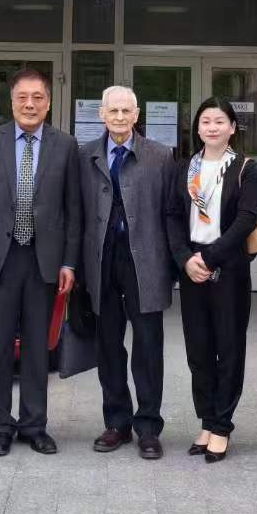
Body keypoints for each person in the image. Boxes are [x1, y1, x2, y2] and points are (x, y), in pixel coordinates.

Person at [0, 68, 81, 456]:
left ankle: (34, 425)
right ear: (11, 101)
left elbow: (73, 210)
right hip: (0, 257)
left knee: (36, 346)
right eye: (22, 97)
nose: (30, 104)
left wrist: (69, 262)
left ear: (49, 102)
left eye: (37, 97)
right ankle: (0, 426)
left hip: (44, 259)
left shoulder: (65, 145)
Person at [77, 85, 175, 459]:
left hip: (145, 261)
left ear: (137, 115)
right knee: (108, 345)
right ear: (101, 114)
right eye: (113, 111)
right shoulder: (84, 155)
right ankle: (117, 422)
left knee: (148, 346)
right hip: (101, 260)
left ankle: (148, 427)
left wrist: (173, 266)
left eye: (126, 111)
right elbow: (77, 213)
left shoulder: (160, 156)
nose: (119, 117)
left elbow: (171, 214)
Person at [165, 96, 257, 463]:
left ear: (232, 127)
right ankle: (206, 420)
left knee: (229, 348)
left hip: (228, 268)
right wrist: (185, 259)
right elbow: (172, 215)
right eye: (205, 121)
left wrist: (209, 257)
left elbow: (247, 218)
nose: (212, 127)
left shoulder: (246, 168)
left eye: (220, 121)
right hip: (192, 267)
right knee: (199, 351)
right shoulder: (183, 168)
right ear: (198, 128)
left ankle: (222, 425)